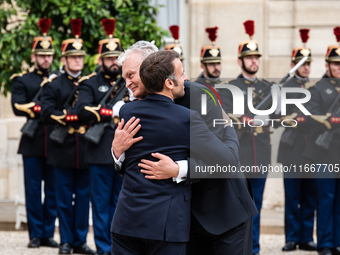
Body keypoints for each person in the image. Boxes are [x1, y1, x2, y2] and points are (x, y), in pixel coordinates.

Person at [111, 41, 257, 255]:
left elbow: (224, 162)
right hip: (179, 221)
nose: (127, 84)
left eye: (131, 75)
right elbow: (136, 165)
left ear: (151, 68)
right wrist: (116, 152)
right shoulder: (135, 107)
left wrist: (178, 169)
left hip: (222, 212)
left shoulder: (199, 97)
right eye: (124, 77)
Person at [40, 19, 95, 255]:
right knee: (62, 199)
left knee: (83, 199)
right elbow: (45, 112)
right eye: (72, 57)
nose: (77, 60)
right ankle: (64, 240)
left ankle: (80, 240)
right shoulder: (54, 84)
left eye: (80, 57)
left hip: (84, 148)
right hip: (61, 149)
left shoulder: (91, 83)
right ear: (64, 59)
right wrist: (68, 117)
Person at [220, 20, 272, 255]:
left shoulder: (268, 88)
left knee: (257, 204)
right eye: (250, 58)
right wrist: (246, 119)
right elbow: (228, 118)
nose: (254, 61)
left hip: (260, 154)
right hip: (238, 154)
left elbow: (280, 114)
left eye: (257, 58)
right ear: (240, 61)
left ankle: (255, 249)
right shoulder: (230, 88)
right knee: (238, 205)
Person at [76, 18, 127, 255]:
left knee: (120, 204)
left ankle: (118, 246)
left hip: (125, 153)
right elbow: (82, 110)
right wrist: (110, 113)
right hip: (99, 153)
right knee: (100, 205)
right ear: (100, 60)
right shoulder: (90, 83)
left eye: (117, 58)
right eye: (109, 58)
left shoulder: (129, 83)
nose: (113, 63)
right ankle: (104, 249)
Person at [10, 18, 59, 249]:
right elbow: (17, 106)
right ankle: (35, 235)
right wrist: (44, 108)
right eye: (41, 55)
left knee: (52, 191)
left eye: (49, 55)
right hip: (32, 142)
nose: (46, 59)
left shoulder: (59, 80)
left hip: (56, 143)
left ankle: (48, 233)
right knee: (32, 191)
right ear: (33, 56)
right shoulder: (23, 80)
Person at [278, 28, 317, 252]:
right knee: (293, 196)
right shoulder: (285, 87)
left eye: (308, 64)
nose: (306, 68)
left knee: (310, 196)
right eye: (302, 64)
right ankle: (292, 237)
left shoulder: (316, 88)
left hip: (310, 148)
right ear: (295, 65)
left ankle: (306, 237)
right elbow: (278, 116)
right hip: (291, 148)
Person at [303, 26, 340, 255]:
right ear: (327, 65)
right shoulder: (318, 88)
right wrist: (332, 120)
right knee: (325, 200)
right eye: (335, 63)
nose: (339, 67)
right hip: (325, 152)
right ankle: (325, 243)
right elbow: (311, 117)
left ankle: (336, 241)